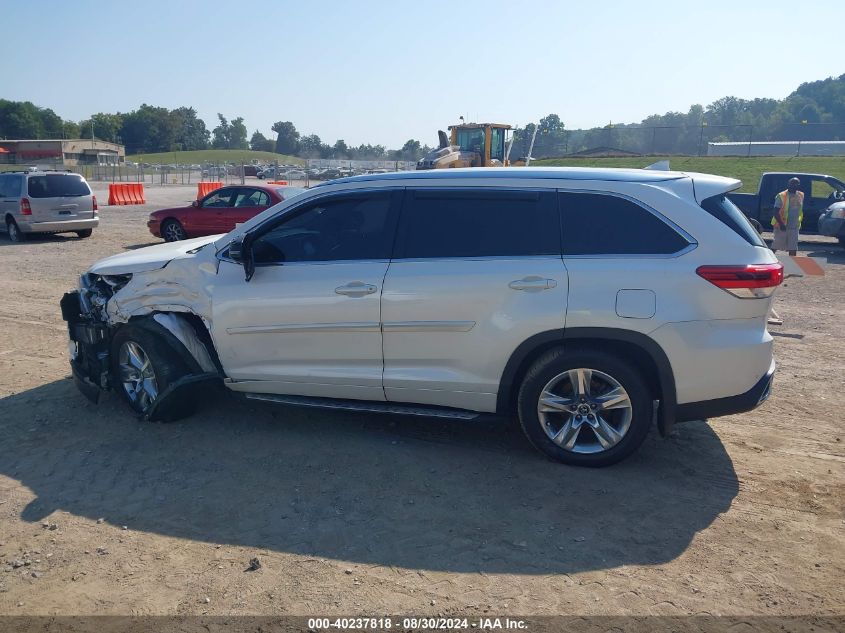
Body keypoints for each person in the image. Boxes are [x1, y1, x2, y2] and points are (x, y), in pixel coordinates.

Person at [771, 177, 803, 256]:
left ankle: (792, 265)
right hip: (782, 226)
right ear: (788, 184)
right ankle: (767, 261)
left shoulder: (801, 195)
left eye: (796, 184)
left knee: (793, 248)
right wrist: (781, 224)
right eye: (792, 184)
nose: (793, 186)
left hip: (794, 227)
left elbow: (799, 210)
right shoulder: (782, 195)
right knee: (776, 246)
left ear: (798, 185)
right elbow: (775, 211)